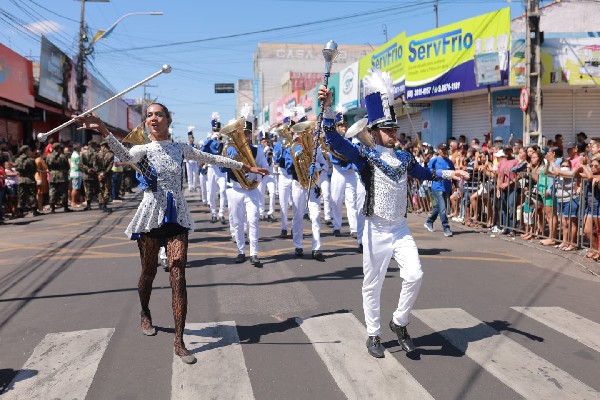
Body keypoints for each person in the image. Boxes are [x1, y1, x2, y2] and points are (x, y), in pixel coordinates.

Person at [74, 102, 268, 365]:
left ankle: (179, 340)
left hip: (177, 215)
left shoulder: (179, 148)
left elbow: (211, 158)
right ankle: (145, 311)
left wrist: (246, 167)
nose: (154, 118)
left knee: (178, 270)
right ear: (146, 123)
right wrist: (104, 130)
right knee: (149, 271)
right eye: (150, 115)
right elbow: (125, 155)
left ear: (168, 119)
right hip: (151, 214)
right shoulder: (142, 148)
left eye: (159, 114)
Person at [318, 69, 468, 358]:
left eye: (395, 130)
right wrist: (327, 108)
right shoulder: (365, 157)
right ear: (374, 131)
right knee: (372, 284)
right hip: (375, 229)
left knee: (415, 274)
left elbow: (426, 173)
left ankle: (399, 322)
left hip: (400, 229)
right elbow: (336, 143)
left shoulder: (403, 157)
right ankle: (373, 334)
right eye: (388, 130)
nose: (393, 134)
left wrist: (451, 173)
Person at [223, 106, 270, 266]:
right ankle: (241, 251)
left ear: (251, 135)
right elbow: (224, 168)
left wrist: (255, 174)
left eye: (247, 133)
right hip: (235, 189)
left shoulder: (258, 151)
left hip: (251, 190)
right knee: (237, 222)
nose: (245, 136)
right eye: (243, 133)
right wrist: (230, 157)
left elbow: (266, 169)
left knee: (253, 220)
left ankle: (254, 253)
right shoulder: (230, 149)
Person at [424, 143, 456, 237]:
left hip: (447, 187)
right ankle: (446, 228)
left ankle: (429, 222)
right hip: (437, 187)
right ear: (438, 150)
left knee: (438, 208)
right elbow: (427, 171)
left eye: (446, 149)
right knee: (443, 209)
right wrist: (426, 163)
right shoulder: (434, 160)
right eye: (442, 149)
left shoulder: (449, 162)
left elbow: (454, 175)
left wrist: (456, 187)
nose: (444, 151)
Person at [46, 142, 73, 213]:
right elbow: (68, 167)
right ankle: (65, 207)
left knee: (52, 191)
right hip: (62, 175)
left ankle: (52, 208)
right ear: (59, 148)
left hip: (53, 175)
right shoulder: (63, 156)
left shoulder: (49, 156)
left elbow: (48, 166)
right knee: (64, 191)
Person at [97, 141, 114, 212]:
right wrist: (104, 172)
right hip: (107, 174)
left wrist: (99, 173)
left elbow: (95, 164)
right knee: (107, 189)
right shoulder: (110, 154)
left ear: (103, 146)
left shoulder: (98, 154)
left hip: (99, 174)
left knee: (101, 188)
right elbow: (110, 165)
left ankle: (100, 204)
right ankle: (104, 205)